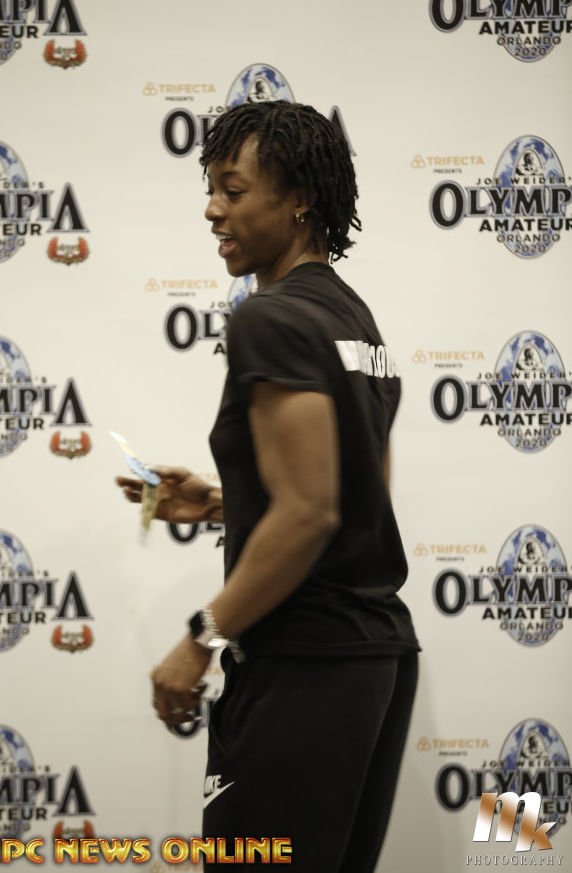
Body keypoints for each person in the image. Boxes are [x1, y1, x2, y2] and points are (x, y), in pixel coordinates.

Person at [116, 100, 420, 871]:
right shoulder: (354, 318)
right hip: (372, 660)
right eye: (211, 190)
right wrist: (226, 503)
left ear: (299, 199)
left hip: (302, 664)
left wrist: (199, 639)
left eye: (233, 189)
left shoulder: (268, 317)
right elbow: (357, 497)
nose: (212, 209)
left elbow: (311, 513)